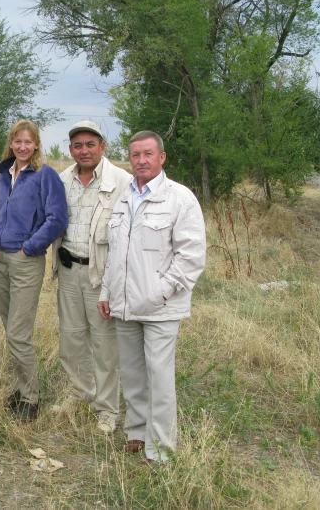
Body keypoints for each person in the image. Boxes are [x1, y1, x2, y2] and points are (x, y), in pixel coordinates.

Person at [98, 130, 206, 463]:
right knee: (132, 373)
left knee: (159, 377)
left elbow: (191, 256)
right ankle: (137, 431)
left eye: (148, 154)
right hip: (124, 306)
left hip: (160, 307)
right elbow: (116, 252)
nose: (141, 160)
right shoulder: (125, 197)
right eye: (135, 155)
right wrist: (107, 291)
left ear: (162, 157)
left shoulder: (180, 198)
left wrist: (160, 291)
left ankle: (160, 449)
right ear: (129, 160)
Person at [0, 120, 68, 422]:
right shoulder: (5, 173)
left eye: (28, 142)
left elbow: (57, 219)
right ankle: (21, 388)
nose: (22, 147)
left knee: (19, 333)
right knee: (10, 329)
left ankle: (31, 399)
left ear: (36, 145)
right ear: (11, 143)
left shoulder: (46, 176)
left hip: (25, 261)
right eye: (17, 141)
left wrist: (31, 247)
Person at [51, 121, 132, 435]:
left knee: (104, 344)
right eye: (77, 145)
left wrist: (117, 282)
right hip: (69, 269)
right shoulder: (62, 180)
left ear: (102, 146)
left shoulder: (122, 182)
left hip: (103, 275)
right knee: (71, 338)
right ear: (71, 149)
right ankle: (77, 394)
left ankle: (107, 409)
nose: (83, 150)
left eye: (90, 144)